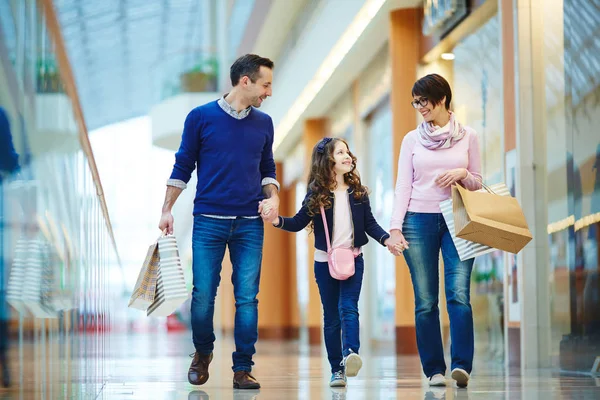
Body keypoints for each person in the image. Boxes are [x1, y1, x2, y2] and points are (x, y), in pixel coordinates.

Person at [158, 54, 280, 390]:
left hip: (248, 224)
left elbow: (267, 168)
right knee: (202, 296)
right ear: (246, 81)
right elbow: (183, 165)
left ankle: (243, 368)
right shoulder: (200, 118)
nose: (269, 91)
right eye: (265, 84)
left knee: (247, 298)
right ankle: (202, 352)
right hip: (209, 220)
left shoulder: (264, 123)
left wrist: (274, 196)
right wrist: (167, 209)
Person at [267, 137, 398, 388]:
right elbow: (297, 222)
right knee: (331, 317)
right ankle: (336, 369)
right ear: (328, 160)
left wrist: (386, 239)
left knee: (349, 306)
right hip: (324, 263)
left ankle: (351, 354)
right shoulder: (316, 195)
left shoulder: (358, 193)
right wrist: (276, 221)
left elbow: (369, 223)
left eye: (348, 151)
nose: (347, 155)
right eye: (340, 152)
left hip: (354, 258)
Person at [387, 74, 482, 388]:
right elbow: (403, 186)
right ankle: (434, 370)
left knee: (459, 295)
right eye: (415, 102)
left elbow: (478, 182)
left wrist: (463, 172)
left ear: (441, 99)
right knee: (426, 299)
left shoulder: (469, 136)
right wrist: (395, 227)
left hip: (458, 218)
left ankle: (461, 366)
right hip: (418, 221)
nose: (419, 107)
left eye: (423, 101)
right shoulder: (411, 140)